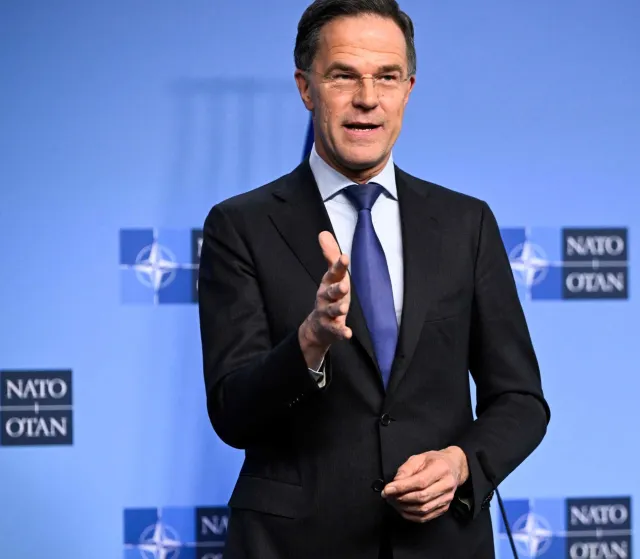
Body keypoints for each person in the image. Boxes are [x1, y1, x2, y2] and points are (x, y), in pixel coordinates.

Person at [197, 0, 550, 557]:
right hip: (293, 544)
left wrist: (460, 464)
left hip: (440, 543)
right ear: (306, 88)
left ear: (408, 89)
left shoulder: (466, 223)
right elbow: (232, 412)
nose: (367, 99)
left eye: (387, 77)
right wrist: (310, 340)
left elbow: (521, 400)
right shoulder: (240, 227)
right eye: (344, 76)